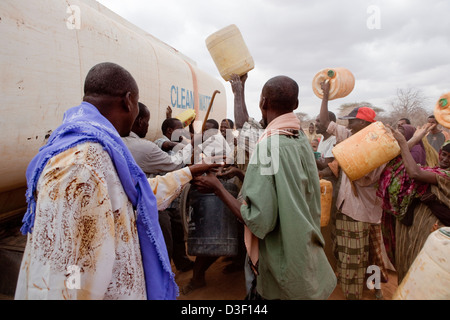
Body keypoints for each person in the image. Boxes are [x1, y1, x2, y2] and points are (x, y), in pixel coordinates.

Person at [15, 62, 219, 300]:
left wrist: (190, 171)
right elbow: (62, 282)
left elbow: (136, 192)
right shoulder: (80, 167)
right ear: (129, 100)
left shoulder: (102, 149)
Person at [193, 75, 337, 300]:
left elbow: (258, 220)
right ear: (296, 105)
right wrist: (241, 173)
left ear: (263, 103)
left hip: (282, 264)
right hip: (306, 255)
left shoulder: (268, 146)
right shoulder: (300, 140)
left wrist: (217, 188)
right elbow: (286, 187)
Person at [318, 81, 388, 300]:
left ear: (362, 122)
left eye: (352, 121)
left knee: (364, 258)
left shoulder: (380, 147)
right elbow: (324, 122)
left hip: (362, 212)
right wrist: (326, 95)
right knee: (358, 257)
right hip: (351, 209)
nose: (348, 125)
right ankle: (365, 291)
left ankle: (369, 290)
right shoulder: (351, 137)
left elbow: (364, 177)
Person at [122, 103, 194, 272]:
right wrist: (190, 148)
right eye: (147, 122)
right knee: (164, 242)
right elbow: (171, 157)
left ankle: (181, 261)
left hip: (171, 201)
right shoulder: (155, 143)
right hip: (157, 204)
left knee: (176, 235)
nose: (148, 126)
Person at [378, 124, 450, 284]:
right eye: (443, 154)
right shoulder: (435, 170)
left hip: (433, 234)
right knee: (410, 267)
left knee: (426, 272)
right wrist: (415, 138)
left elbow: (414, 173)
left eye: (449, 158)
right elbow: (395, 165)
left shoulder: (445, 175)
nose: (444, 159)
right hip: (416, 231)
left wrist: (404, 143)